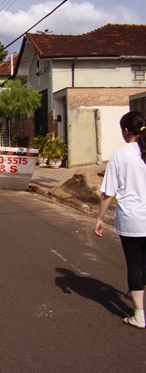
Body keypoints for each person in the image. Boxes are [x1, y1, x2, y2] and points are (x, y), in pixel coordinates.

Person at [95, 110, 146, 329]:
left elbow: (108, 192)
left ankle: (138, 316)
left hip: (132, 220)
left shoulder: (120, 154)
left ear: (126, 131)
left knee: (136, 265)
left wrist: (99, 217)